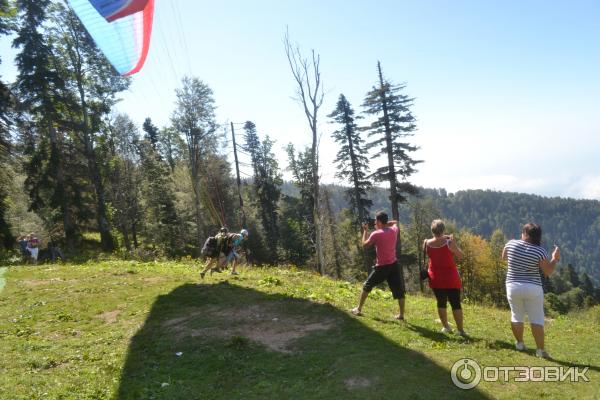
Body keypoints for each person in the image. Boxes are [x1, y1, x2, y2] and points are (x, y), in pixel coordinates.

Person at [502, 223, 560, 359]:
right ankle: (540, 351)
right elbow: (548, 272)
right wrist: (554, 259)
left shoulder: (510, 244)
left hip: (513, 285)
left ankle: (520, 344)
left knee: (516, 316)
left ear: (525, 234)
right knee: (537, 319)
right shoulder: (539, 251)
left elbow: (504, 257)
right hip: (533, 287)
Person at [352, 211, 406, 320]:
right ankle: (401, 315)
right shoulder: (394, 230)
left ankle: (358, 309)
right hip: (393, 264)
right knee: (399, 291)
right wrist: (385, 225)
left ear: (380, 222)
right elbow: (395, 222)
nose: (375, 222)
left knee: (367, 285)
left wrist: (365, 231)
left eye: (376, 220)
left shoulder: (376, 234)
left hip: (382, 267)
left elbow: (364, 244)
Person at [424, 219, 466, 336]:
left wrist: (444, 236)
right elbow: (461, 256)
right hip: (450, 278)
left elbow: (435, 244)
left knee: (441, 302)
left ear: (432, 230)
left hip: (436, 277)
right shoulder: (449, 243)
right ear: (443, 230)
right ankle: (460, 330)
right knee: (455, 303)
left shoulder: (426, 243)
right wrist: (454, 245)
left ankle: (446, 327)